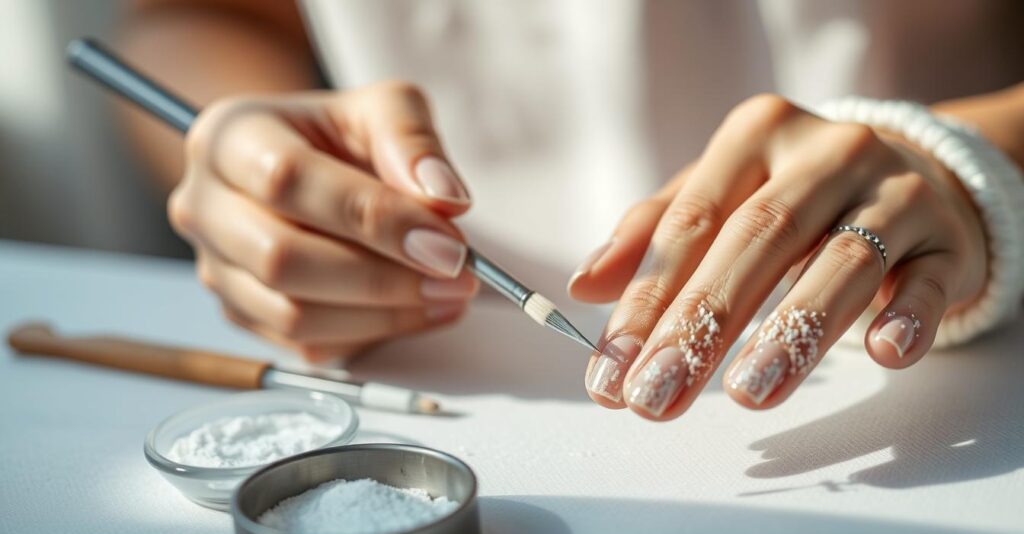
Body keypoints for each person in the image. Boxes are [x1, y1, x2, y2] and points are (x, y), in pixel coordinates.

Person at [121, 0, 1024, 421]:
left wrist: (973, 164)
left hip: (948, 366)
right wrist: (262, 175)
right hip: (441, 344)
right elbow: (194, 19)